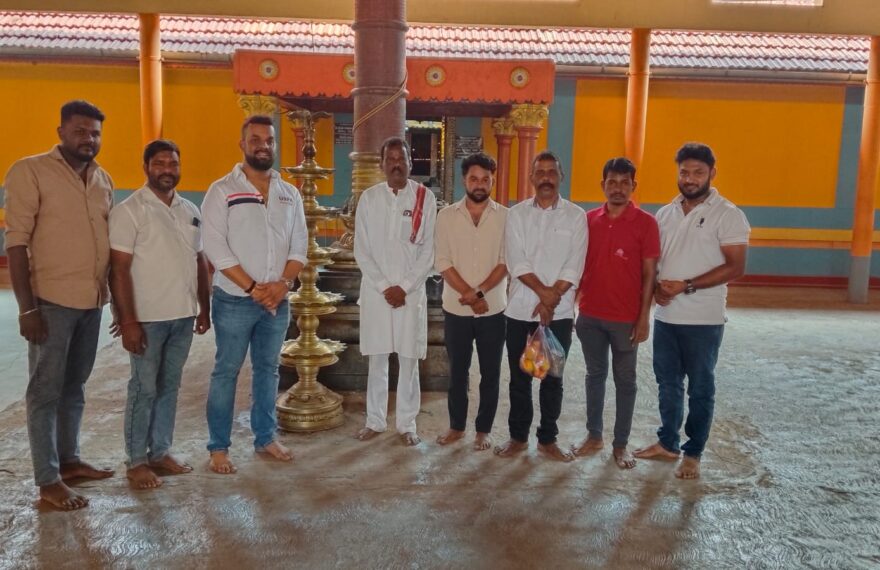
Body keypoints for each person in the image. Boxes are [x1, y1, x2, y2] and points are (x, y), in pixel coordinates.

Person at [3, 100, 115, 510]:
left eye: (96, 133)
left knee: (75, 386)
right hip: (50, 302)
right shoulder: (30, 171)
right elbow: (16, 243)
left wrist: (113, 300)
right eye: (81, 131)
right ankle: (48, 480)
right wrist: (27, 308)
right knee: (44, 391)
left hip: (91, 302)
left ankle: (69, 460)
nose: (89, 139)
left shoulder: (102, 179)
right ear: (61, 132)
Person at [633, 143, 750, 480]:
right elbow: (656, 262)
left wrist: (685, 285)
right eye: (684, 172)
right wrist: (656, 289)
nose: (690, 178)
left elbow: (736, 266)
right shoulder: (666, 213)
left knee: (700, 386)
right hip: (667, 318)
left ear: (712, 173)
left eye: (698, 172)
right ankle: (667, 443)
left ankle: (693, 452)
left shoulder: (728, 214)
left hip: (703, 319)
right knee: (667, 383)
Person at [201, 115, 308, 474]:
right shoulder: (222, 190)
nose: (263, 145)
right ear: (243, 144)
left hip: (277, 301)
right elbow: (214, 246)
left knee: (268, 370)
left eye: (269, 140)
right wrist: (252, 288)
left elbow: (299, 246)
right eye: (256, 139)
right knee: (226, 372)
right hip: (234, 300)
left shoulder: (288, 193)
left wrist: (283, 285)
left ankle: (265, 437)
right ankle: (218, 447)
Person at [109, 139, 211, 489]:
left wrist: (203, 308)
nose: (167, 170)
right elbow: (118, 270)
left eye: (173, 164)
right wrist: (128, 321)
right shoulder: (130, 210)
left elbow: (199, 261)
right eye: (160, 163)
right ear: (146, 167)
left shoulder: (189, 210)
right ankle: (136, 460)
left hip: (182, 316)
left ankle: (160, 451)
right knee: (143, 389)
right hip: (147, 318)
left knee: (169, 386)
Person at [494, 150, 587, 462]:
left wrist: (552, 299)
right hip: (521, 311)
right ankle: (518, 438)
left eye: (552, 171)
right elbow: (516, 261)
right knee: (520, 377)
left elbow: (574, 264)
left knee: (551, 379)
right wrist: (543, 295)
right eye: (540, 172)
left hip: (557, 315)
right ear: (531, 178)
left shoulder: (576, 217)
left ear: (561, 177)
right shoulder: (516, 214)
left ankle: (548, 439)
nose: (546, 177)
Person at [571, 157, 659, 469]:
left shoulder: (646, 224)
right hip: (591, 316)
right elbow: (578, 265)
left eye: (624, 183)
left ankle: (620, 444)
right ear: (603, 185)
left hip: (626, 320)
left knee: (625, 381)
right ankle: (594, 436)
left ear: (634, 186)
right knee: (595, 375)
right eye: (612, 182)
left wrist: (644, 316)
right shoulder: (589, 220)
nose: (618, 189)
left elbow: (650, 274)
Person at [353, 136, 437, 446]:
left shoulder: (424, 199)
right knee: (377, 358)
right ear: (381, 165)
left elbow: (429, 252)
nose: (396, 165)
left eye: (401, 159)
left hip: (410, 295)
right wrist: (384, 286)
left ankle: (406, 424)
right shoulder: (369, 199)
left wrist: (403, 288)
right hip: (376, 294)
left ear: (411, 163)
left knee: (408, 358)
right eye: (390, 160)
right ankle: (375, 421)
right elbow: (362, 251)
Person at [434, 152, 508, 451]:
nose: (480, 184)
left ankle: (483, 430)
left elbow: (506, 262)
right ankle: (456, 426)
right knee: (458, 372)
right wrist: (469, 293)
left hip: (493, 309)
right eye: (474, 178)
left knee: (491, 372)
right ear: (464, 180)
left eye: (486, 179)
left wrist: (479, 294)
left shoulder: (505, 216)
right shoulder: (446, 216)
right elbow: (442, 261)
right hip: (456, 309)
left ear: (493, 181)